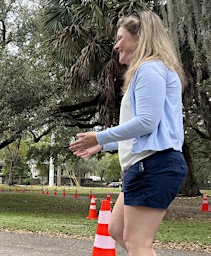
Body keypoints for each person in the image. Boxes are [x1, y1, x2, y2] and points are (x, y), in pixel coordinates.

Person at [68, 10, 187, 256]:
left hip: (154, 164)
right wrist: (103, 145)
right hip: (147, 163)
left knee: (137, 243)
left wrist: (100, 137)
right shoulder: (153, 69)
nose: (116, 46)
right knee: (117, 230)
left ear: (140, 38)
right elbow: (146, 130)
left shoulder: (150, 68)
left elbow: (146, 123)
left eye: (120, 38)